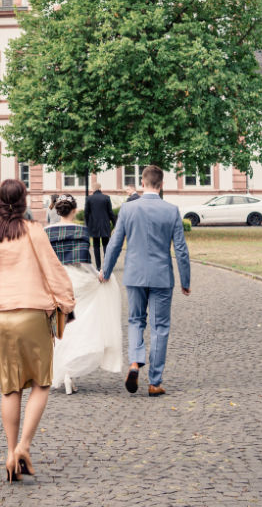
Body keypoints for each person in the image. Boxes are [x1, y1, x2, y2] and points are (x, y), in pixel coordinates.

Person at [0, 179, 75, 482]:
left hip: (2, 319)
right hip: (32, 314)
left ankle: (10, 452)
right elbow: (53, 270)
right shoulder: (34, 232)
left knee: (10, 387)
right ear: (24, 201)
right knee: (41, 383)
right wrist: (66, 302)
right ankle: (25, 446)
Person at [100, 165, 191, 397]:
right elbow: (181, 249)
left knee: (135, 320)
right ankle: (155, 382)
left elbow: (114, 242)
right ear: (161, 185)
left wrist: (106, 270)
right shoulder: (171, 210)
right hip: (161, 276)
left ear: (143, 183)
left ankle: (134, 362)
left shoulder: (128, 209)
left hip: (134, 275)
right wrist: (185, 280)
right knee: (160, 327)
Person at [45, 194, 123, 394]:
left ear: (57, 210)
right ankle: (70, 371)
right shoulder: (81, 231)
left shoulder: (46, 232)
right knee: (78, 324)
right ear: (74, 210)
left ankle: (61, 370)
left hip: (55, 283)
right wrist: (100, 275)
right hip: (77, 282)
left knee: (59, 326)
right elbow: (85, 263)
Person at [84, 180, 117, 269]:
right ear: (100, 188)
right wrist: (115, 224)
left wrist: (86, 226)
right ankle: (106, 266)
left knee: (96, 246)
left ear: (93, 189)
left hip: (94, 226)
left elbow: (86, 213)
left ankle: (98, 267)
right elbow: (110, 213)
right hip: (105, 225)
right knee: (106, 245)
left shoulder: (89, 198)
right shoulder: (106, 198)